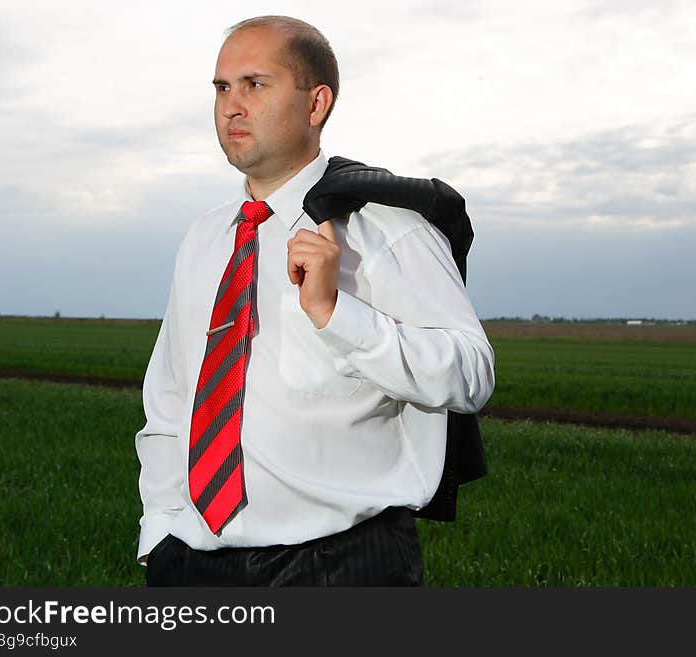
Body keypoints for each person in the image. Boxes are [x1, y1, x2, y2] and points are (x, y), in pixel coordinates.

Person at [135, 15, 495, 586]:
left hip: (339, 566)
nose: (231, 106)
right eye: (222, 88)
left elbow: (472, 375)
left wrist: (337, 315)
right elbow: (173, 396)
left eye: (255, 84)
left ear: (316, 103)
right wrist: (159, 531)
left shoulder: (386, 228)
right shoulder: (205, 238)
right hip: (191, 561)